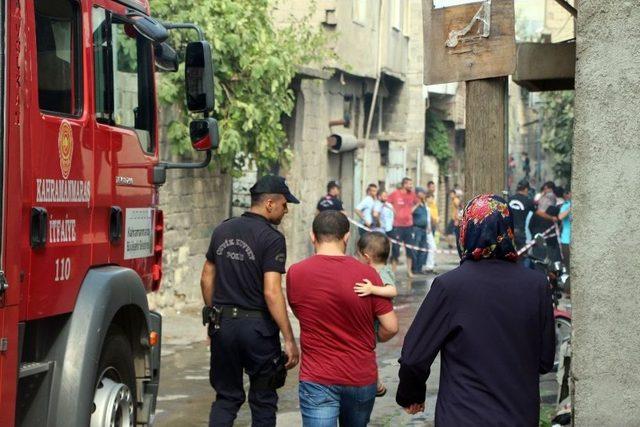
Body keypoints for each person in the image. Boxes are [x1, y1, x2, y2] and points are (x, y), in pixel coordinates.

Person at [396, 194, 555, 426]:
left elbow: (413, 357)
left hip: (462, 416)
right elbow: (544, 361)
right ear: (509, 230)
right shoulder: (537, 285)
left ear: (467, 231)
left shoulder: (450, 286)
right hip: (519, 416)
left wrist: (411, 396)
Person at [200, 175, 300, 427]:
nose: (286, 210)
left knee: (226, 398)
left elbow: (206, 278)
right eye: (284, 204)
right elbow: (272, 292)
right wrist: (289, 338)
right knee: (263, 399)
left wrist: (214, 318)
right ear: (269, 203)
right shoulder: (272, 238)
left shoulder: (223, 229)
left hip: (224, 326)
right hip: (258, 330)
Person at [287, 211, 399, 427]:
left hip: (317, 377)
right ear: (347, 237)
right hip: (359, 376)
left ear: (313, 236)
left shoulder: (296, 273)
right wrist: (370, 335)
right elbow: (391, 327)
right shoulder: (368, 275)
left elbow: (302, 313)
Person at [353, 231, 398, 397]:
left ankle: (376, 382)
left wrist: (372, 289)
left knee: (368, 352)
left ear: (367, 257)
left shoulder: (383, 272)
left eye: (357, 254)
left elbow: (392, 290)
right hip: (370, 318)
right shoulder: (371, 269)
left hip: (378, 321)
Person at [387, 178, 419, 277]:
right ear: (404, 184)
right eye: (409, 184)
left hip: (409, 226)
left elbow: (418, 202)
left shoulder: (412, 194)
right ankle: (393, 271)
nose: (411, 186)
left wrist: (411, 210)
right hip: (397, 226)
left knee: (409, 250)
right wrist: (393, 210)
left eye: (411, 184)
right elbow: (387, 202)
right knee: (396, 250)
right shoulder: (395, 193)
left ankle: (409, 271)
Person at [508, 179, 535, 252]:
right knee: (522, 255)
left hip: (508, 231)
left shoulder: (509, 199)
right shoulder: (528, 201)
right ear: (526, 189)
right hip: (520, 233)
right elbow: (538, 213)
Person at [410, 187, 430, 275]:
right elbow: (410, 212)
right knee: (415, 249)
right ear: (418, 193)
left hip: (424, 229)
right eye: (423, 193)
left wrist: (428, 226)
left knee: (424, 249)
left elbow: (426, 216)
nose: (425, 195)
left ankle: (419, 268)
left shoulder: (424, 203)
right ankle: (414, 268)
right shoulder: (414, 202)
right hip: (416, 229)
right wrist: (417, 204)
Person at [558, 189, 572, 270]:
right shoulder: (566, 205)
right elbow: (560, 217)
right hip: (566, 240)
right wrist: (570, 208)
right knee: (568, 266)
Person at [424, 192, 437, 273]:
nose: (432, 200)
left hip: (429, 230)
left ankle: (430, 266)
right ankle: (428, 266)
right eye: (431, 198)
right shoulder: (425, 207)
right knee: (431, 247)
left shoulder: (430, 208)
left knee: (432, 248)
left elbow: (430, 219)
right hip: (425, 230)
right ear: (427, 198)